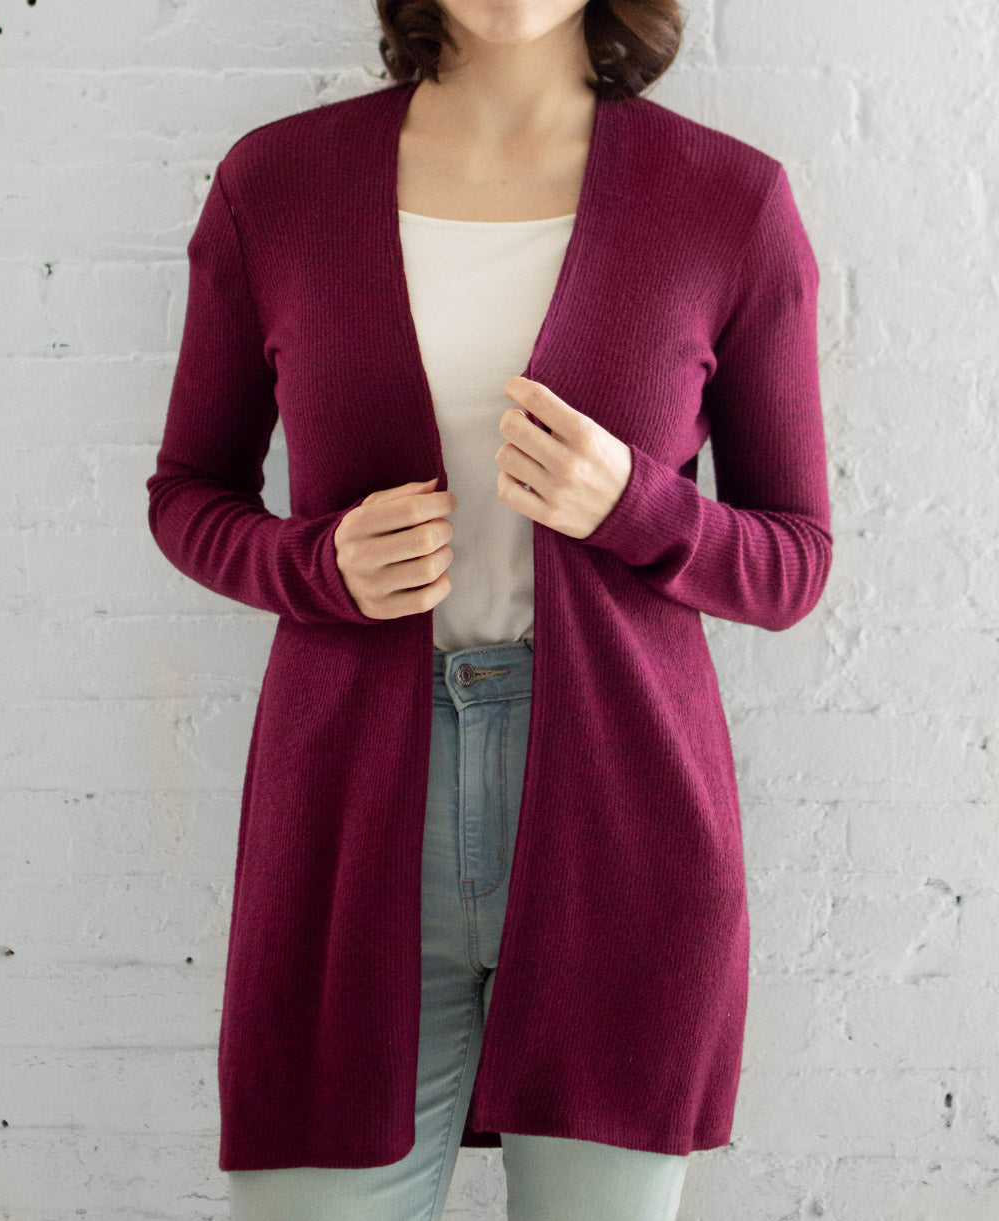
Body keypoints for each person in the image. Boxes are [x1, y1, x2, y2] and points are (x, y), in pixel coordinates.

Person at [146, 0, 832, 1217]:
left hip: (622, 816)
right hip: (347, 810)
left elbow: (793, 561)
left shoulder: (728, 200)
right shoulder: (277, 186)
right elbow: (190, 493)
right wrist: (316, 565)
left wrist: (635, 504)